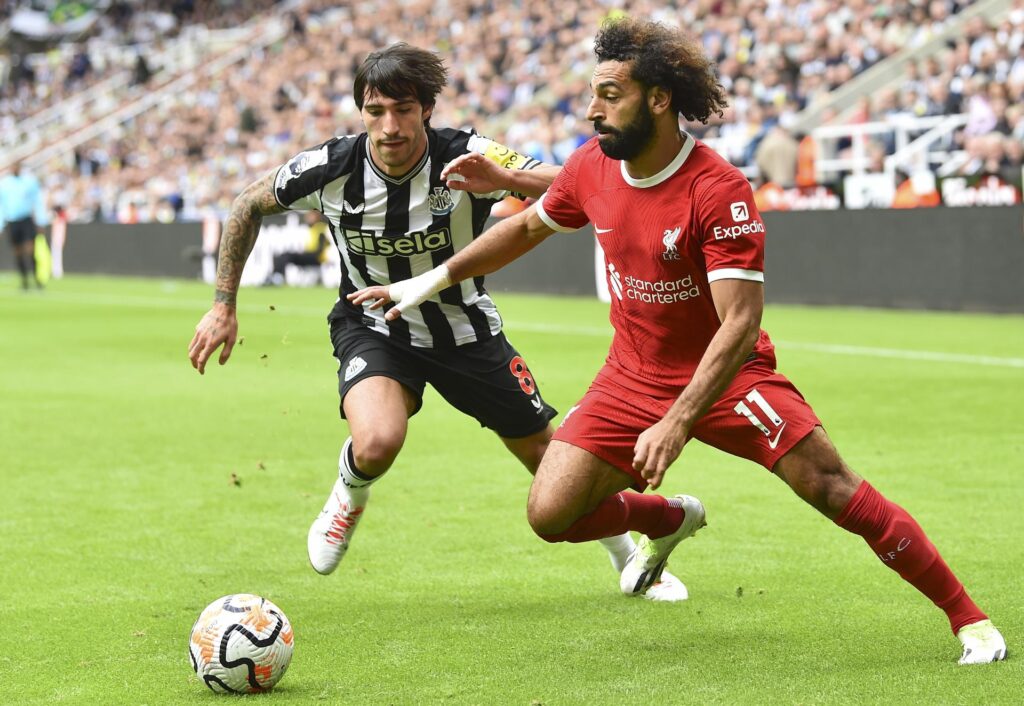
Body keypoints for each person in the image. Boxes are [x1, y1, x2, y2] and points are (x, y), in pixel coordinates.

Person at [350, 19, 1007, 665]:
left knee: (830, 485)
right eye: (593, 94)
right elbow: (526, 229)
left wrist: (677, 420)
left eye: (610, 95)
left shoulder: (718, 192)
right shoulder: (592, 166)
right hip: (632, 374)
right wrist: (433, 278)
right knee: (551, 515)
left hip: (728, 376)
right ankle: (667, 517)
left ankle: (968, 618)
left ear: (658, 100)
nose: (591, 110)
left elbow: (739, 324)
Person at [188, 43, 687, 601]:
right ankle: (348, 495)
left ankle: (636, 547)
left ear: (426, 108)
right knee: (376, 441)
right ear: (361, 114)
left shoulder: (465, 154)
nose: (390, 126)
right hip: (374, 327)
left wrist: (503, 176)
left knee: (551, 466)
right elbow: (246, 205)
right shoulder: (332, 169)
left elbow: (571, 180)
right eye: (375, 112)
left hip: (466, 331)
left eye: (403, 109)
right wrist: (223, 303)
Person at [0, 160, 46, 290]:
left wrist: (41, 221)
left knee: (30, 250)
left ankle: (38, 279)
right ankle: (24, 281)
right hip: (12, 221)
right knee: (18, 252)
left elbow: (37, 202)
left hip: (26, 220)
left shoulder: (29, 182)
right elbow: (1, 206)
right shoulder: (4, 184)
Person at [264, 210, 331, 286]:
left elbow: (320, 249)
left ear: (317, 216)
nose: (308, 217)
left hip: (317, 258)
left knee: (288, 255)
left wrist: (305, 253)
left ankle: (277, 277)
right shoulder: (312, 228)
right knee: (282, 256)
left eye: (311, 215)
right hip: (311, 255)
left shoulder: (320, 228)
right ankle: (276, 276)